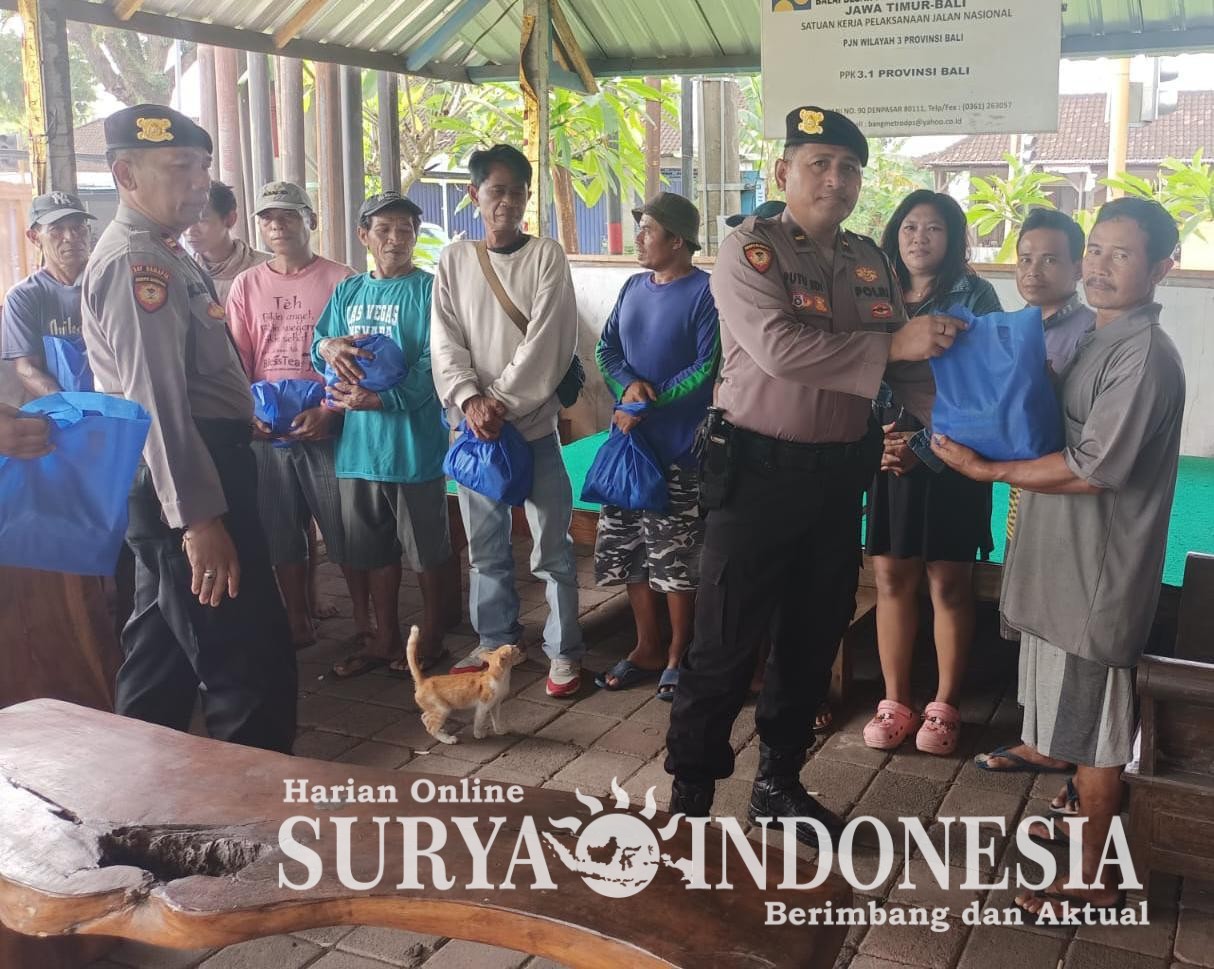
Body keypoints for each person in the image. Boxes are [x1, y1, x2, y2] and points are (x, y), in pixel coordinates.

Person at [664, 106, 959, 838]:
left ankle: (778, 784)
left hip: (838, 478)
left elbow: (905, 368)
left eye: (849, 167)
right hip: (756, 476)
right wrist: (894, 349)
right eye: (819, 163)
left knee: (812, 636)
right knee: (723, 643)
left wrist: (968, 423)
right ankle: (690, 797)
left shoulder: (868, 259)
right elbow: (781, 349)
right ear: (783, 172)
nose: (836, 179)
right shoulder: (749, 250)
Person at [933, 197, 1184, 919]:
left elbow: (1093, 468)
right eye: (1096, 250)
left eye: (1121, 254)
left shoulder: (1144, 356)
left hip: (1095, 578)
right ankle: (1078, 818)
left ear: (1162, 267)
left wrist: (988, 471)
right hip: (1062, 565)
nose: (1100, 266)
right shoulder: (1097, 337)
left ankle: (1093, 877)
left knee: (1100, 733)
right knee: (1071, 714)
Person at [81, 104, 296, 753]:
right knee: (244, 666)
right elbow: (157, 400)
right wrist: (199, 519)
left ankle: (133, 790)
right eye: (180, 167)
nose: (200, 182)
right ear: (126, 175)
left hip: (185, 474)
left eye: (202, 167)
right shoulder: (136, 263)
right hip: (189, 481)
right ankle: (252, 807)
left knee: (162, 658)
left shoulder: (167, 253)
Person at [431, 144, 585, 698]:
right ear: (474, 195)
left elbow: (550, 340)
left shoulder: (546, 255)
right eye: (496, 191)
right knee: (486, 547)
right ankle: (494, 639)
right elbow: (444, 338)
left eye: (517, 192)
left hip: (532, 429)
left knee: (552, 548)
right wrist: (469, 398)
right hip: (476, 434)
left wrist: (496, 402)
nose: (507, 202)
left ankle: (563, 650)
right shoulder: (454, 260)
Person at [861, 190, 1002, 755]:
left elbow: (986, 386)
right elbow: (851, 367)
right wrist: (875, 442)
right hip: (886, 453)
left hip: (952, 454)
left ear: (953, 238)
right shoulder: (875, 294)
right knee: (891, 579)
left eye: (934, 228)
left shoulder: (976, 295)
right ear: (895, 235)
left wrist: (923, 446)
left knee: (949, 583)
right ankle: (894, 702)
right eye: (910, 227)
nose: (920, 238)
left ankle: (944, 707)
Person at [975, 208, 1096, 789]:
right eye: (1025, 258)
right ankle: (1040, 734)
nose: (1034, 269)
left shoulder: (1090, 333)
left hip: (1069, 491)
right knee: (1031, 604)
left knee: (1063, 613)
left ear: (1077, 267)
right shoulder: (1014, 326)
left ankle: (1067, 744)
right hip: (1027, 486)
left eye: (1050, 259)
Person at [313, 192, 456, 677]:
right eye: (384, 229)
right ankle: (384, 639)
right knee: (373, 551)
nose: (396, 239)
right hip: (357, 449)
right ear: (364, 236)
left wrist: (384, 400)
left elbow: (438, 360)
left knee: (428, 552)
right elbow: (321, 344)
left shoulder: (430, 290)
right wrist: (327, 347)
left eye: (405, 229)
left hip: (412, 447)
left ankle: (433, 639)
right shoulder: (348, 291)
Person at [225, 181, 364, 649]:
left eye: (288, 215)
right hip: (269, 430)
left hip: (326, 425)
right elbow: (239, 358)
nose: (277, 226)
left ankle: (364, 622)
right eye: (267, 218)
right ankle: (298, 619)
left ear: (311, 220)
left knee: (343, 529)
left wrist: (331, 410)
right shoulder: (247, 284)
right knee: (281, 531)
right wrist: (247, 413)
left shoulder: (343, 280)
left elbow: (359, 357)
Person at [592, 192, 719, 700]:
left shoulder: (706, 293)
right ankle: (646, 646)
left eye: (648, 229)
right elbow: (606, 348)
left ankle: (679, 653)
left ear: (678, 240)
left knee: (676, 557)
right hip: (628, 445)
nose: (639, 238)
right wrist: (627, 386)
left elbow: (707, 367)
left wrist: (645, 403)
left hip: (679, 449)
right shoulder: (631, 287)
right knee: (630, 552)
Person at [2, 192, 96, 399]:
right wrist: (72, 408)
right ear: (34, 238)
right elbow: (27, 369)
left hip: (118, 404)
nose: (71, 237)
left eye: (78, 227)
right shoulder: (23, 297)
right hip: (60, 411)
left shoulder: (109, 284)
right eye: (56, 230)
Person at [185, 181, 269, 304]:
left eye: (201, 220)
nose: (190, 231)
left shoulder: (268, 267)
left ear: (230, 219)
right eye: (185, 220)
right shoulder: (184, 272)